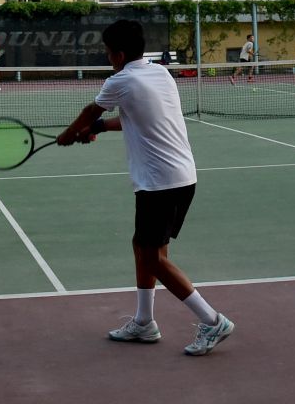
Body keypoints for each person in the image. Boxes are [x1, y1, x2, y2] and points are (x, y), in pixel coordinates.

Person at [55, 19, 234, 356]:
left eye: (108, 53)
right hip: (179, 177)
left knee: (152, 257)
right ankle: (144, 322)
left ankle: (212, 321)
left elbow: (89, 110)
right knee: (143, 248)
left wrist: (69, 134)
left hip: (160, 183)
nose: (108, 58)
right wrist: (98, 129)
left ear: (119, 55)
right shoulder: (159, 73)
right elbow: (133, 117)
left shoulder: (120, 80)